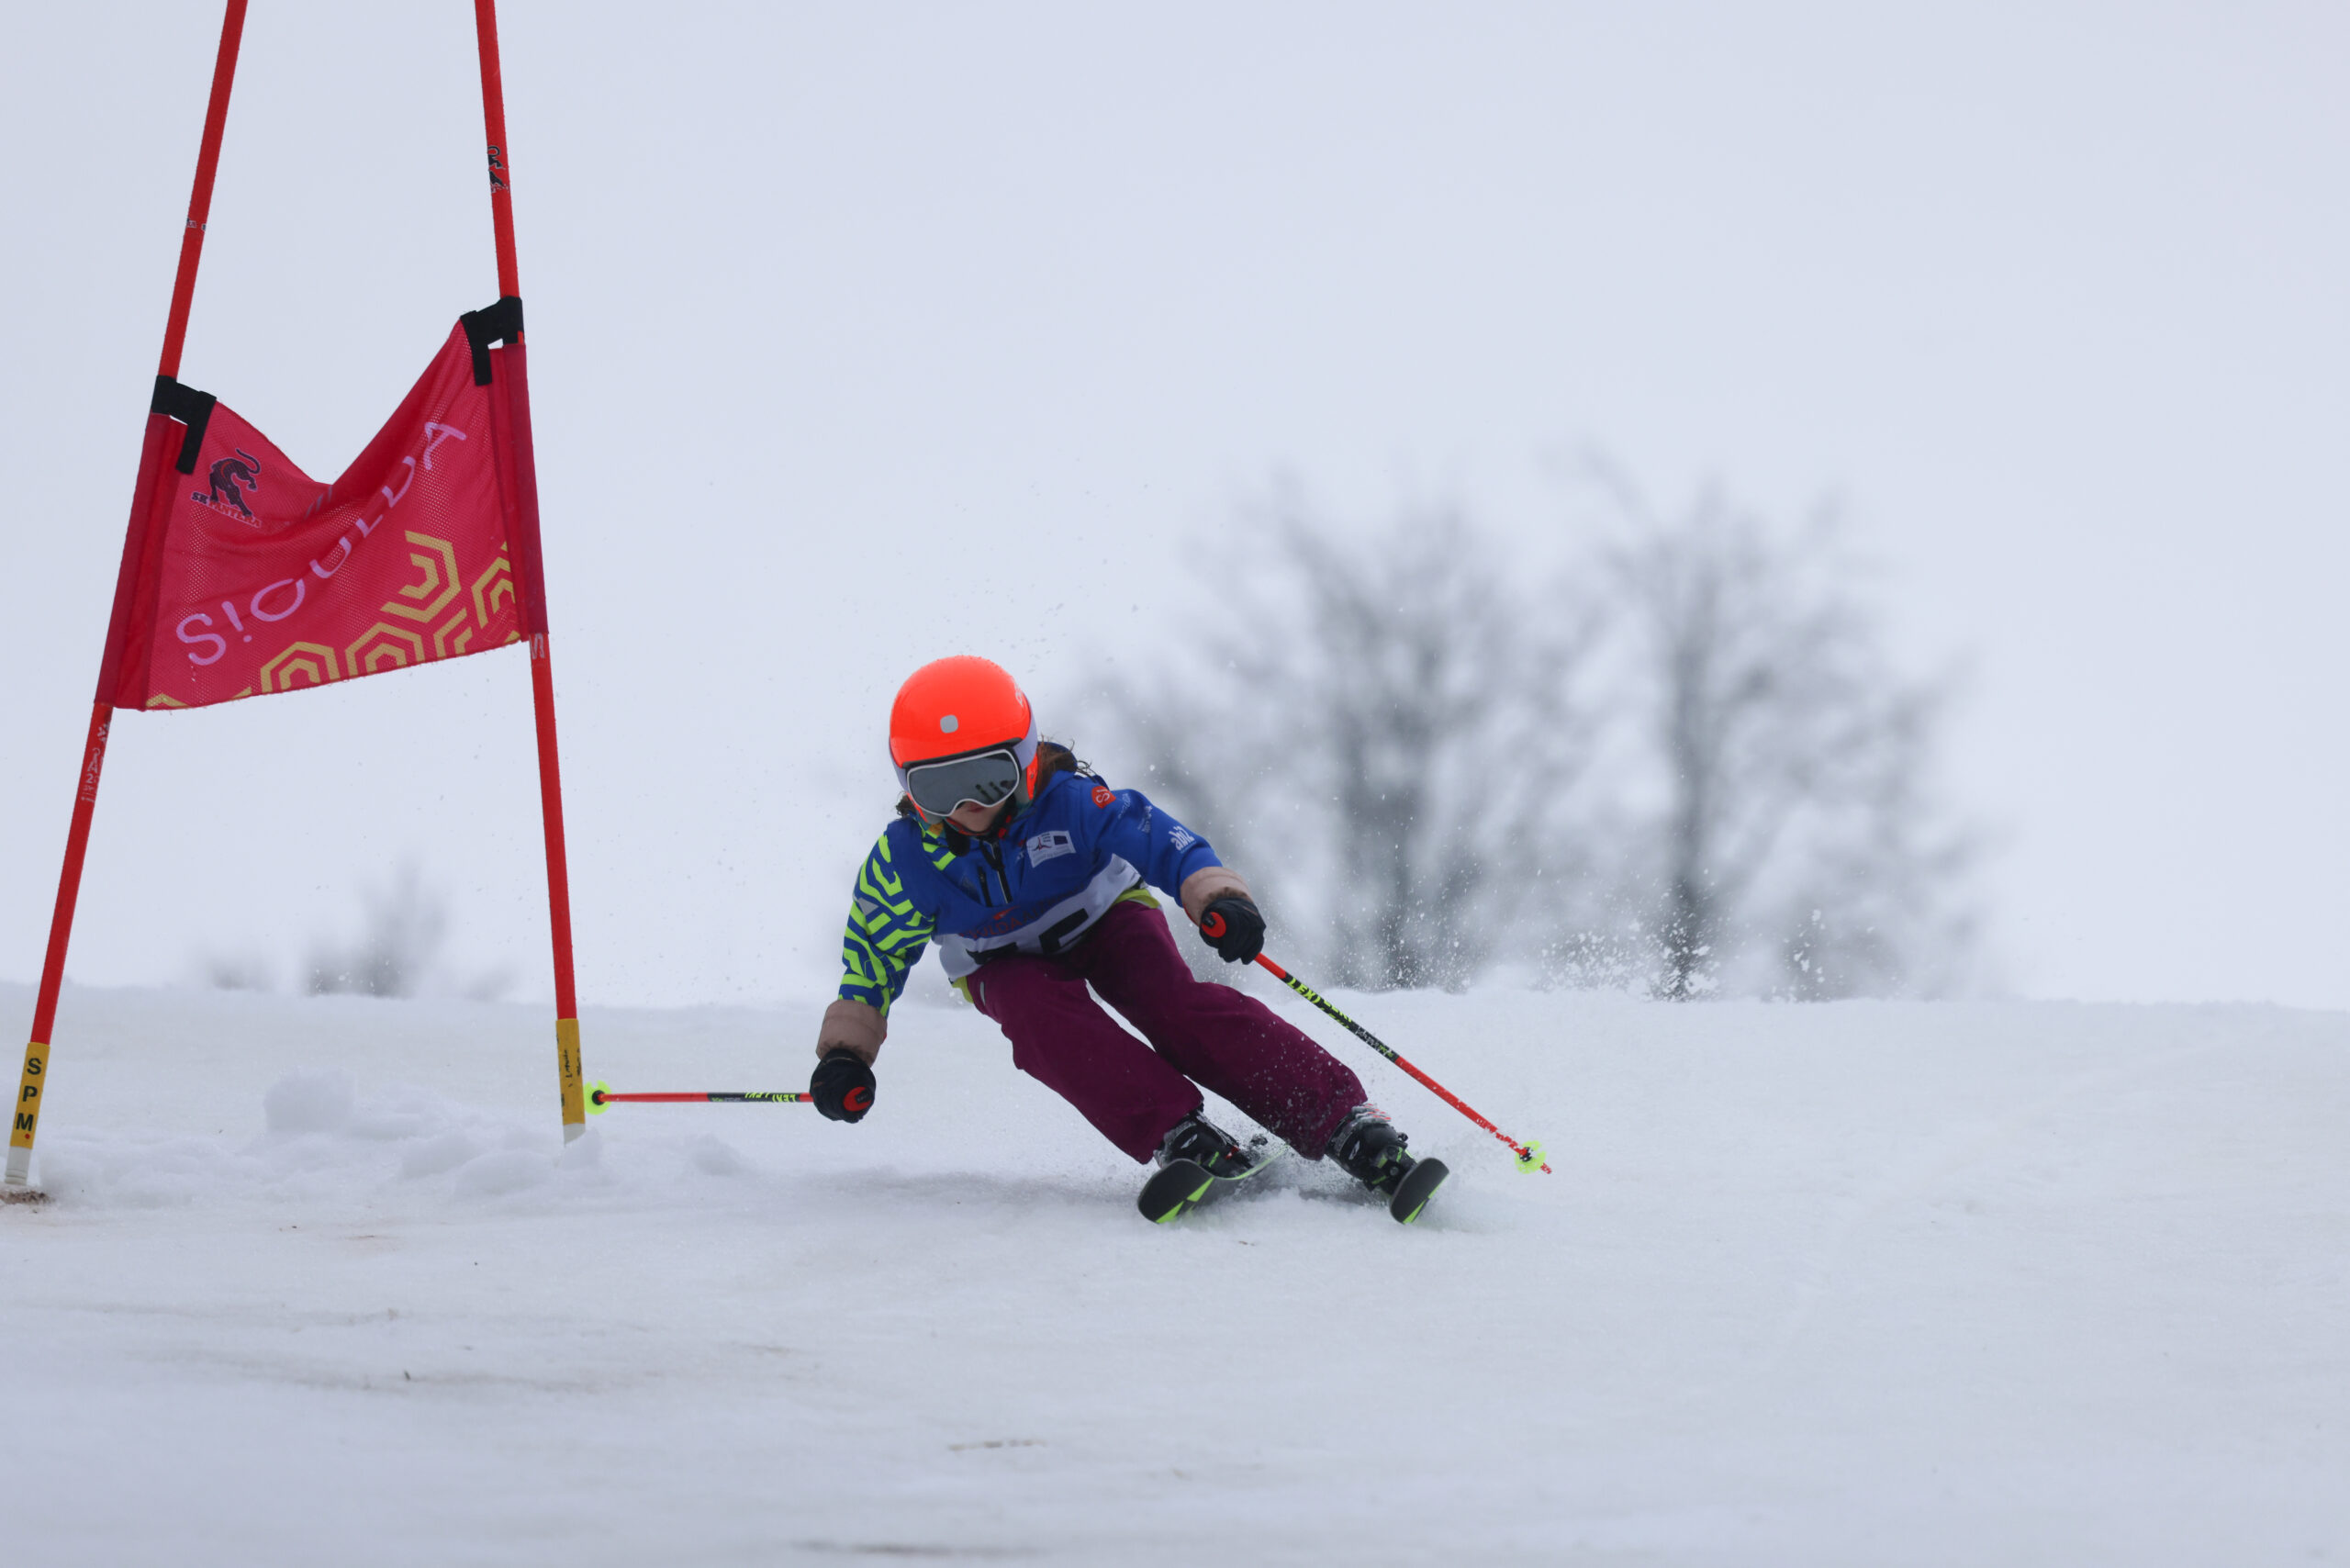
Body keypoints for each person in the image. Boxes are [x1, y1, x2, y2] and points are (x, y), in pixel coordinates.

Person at [808, 654, 1439, 1216]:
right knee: (1041, 1022)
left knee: (1172, 1004)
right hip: (997, 960)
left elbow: (1154, 836)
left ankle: (1342, 1122)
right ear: (907, 786)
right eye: (939, 787)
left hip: (1103, 915)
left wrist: (1215, 895)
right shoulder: (903, 863)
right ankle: (1177, 1133)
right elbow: (872, 957)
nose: (968, 806)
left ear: (1026, 760)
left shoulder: (1070, 802)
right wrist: (846, 1055)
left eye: (989, 778)